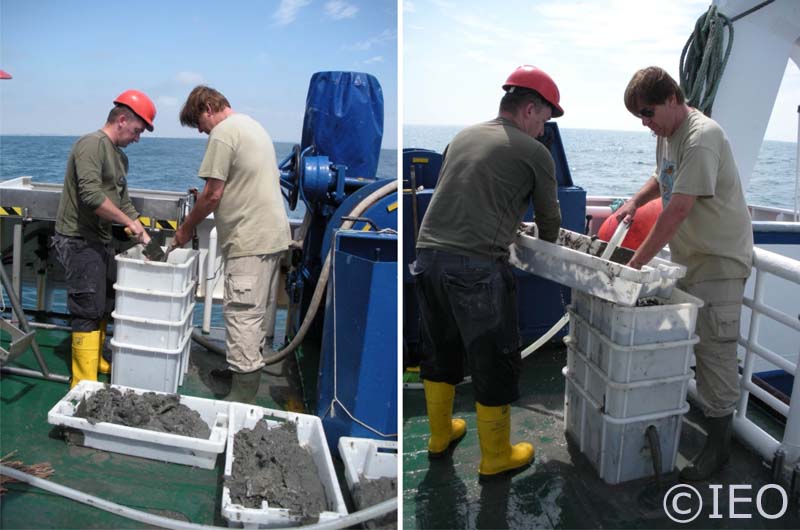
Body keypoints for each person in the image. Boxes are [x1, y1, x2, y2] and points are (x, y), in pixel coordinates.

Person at [412, 65, 563, 479]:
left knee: (440, 350)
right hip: (475, 268)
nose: (543, 131)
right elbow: (550, 221)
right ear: (530, 110)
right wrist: (546, 247)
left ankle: (439, 436)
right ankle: (496, 456)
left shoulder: (462, 136)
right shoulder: (535, 153)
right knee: (493, 359)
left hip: (427, 258)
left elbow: (466, 196)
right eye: (544, 120)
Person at [616, 66, 753, 481]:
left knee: (715, 351)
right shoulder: (668, 134)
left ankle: (719, 449)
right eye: (639, 116)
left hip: (719, 262)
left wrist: (635, 265)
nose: (645, 123)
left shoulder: (701, 136)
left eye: (648, 112)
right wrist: (634, 202)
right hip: (690, 259)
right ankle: (706, 427)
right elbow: (664, 177)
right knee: (693, 343)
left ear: (673, 99)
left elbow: (677, 209)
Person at [173, 86, 291, 404]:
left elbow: (212, 194)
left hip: (249, 238)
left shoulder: (223, 133)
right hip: (269, 236)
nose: (202, 131)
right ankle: (241, 371)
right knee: (253, 312)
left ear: (208, 108)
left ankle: (243, 394)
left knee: (242, 314)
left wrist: (185, 228)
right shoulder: (252, 126)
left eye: (199, 124)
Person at [53, 90, 156, 388]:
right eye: (137, 130)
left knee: (106, 302)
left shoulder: (120, 157)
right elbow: (91, 196)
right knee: (87, 307)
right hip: (77, 239)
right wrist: (128, 223)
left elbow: (123, 202)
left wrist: (144, 236)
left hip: (100, 241)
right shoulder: (90, 145)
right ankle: (82, 382)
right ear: (121, 120)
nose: (137, 138)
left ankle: (96, 359)